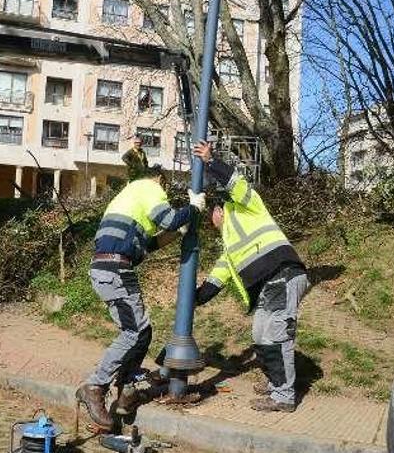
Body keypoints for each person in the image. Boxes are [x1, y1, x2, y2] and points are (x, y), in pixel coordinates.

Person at [76, 164, 205, 430]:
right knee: (133, 332)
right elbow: (168, 219)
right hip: (115, 269)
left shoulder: (130, 198)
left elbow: (149, 244)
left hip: (113, 267)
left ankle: (126, 390)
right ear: (160, 179)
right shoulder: (150, 187)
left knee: (143, 331)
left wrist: (178, 233)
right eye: (166, 187)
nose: (165, 193)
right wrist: (193, 208)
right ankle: (95, 386)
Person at [191, 141, 310, 413]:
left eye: (214, 210)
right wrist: (193, 299)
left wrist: (211, 161)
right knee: (260, 336)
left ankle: (283, 396)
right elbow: (217, 278)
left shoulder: (248, 205)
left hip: (282, 273)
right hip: (271, 285)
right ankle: (275, 383)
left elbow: (236, 183)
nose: (213, 215)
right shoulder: (230, 243)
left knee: (275, 337)